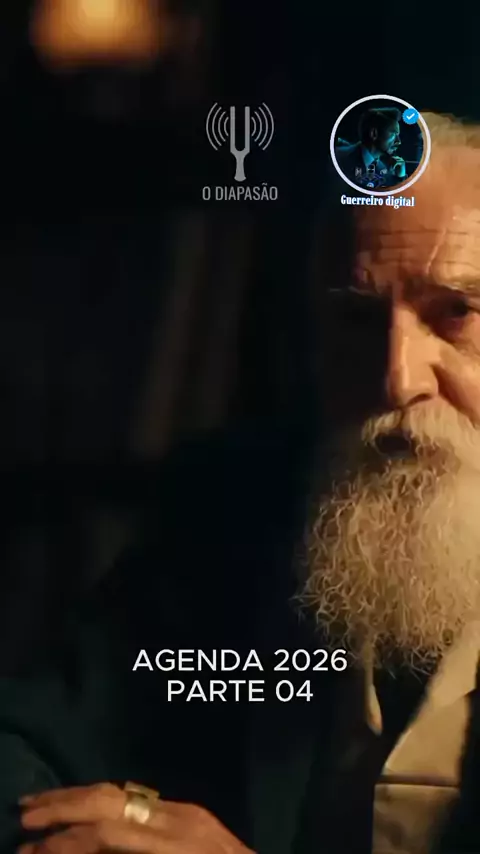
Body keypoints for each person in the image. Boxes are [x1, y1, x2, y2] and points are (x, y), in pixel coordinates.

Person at [4, 111, 480, 854]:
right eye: (357, 319)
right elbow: (23, 752)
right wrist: (129, 821)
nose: (396, 378)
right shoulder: (237, 510)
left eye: (457, 313)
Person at [335, 106, 406, 189]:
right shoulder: (338, 158)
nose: (398, 141)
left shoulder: (386, 170)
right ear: (374, 133)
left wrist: (400, 177)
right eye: (393, 134)